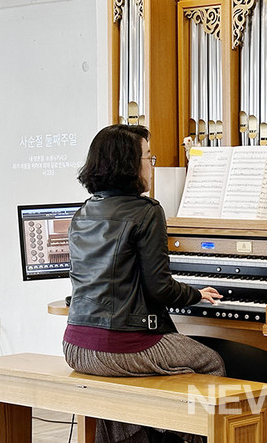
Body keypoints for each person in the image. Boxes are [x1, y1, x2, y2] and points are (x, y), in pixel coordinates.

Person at [63, 124, 224, 443]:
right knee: (210, 362)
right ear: (129, 165)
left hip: (75, 345)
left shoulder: (84, 212)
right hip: (121, 347)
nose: (152, 165)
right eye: (149, 158)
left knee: (134, 382)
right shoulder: (146, 211)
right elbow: (160, 288)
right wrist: (196, 294)